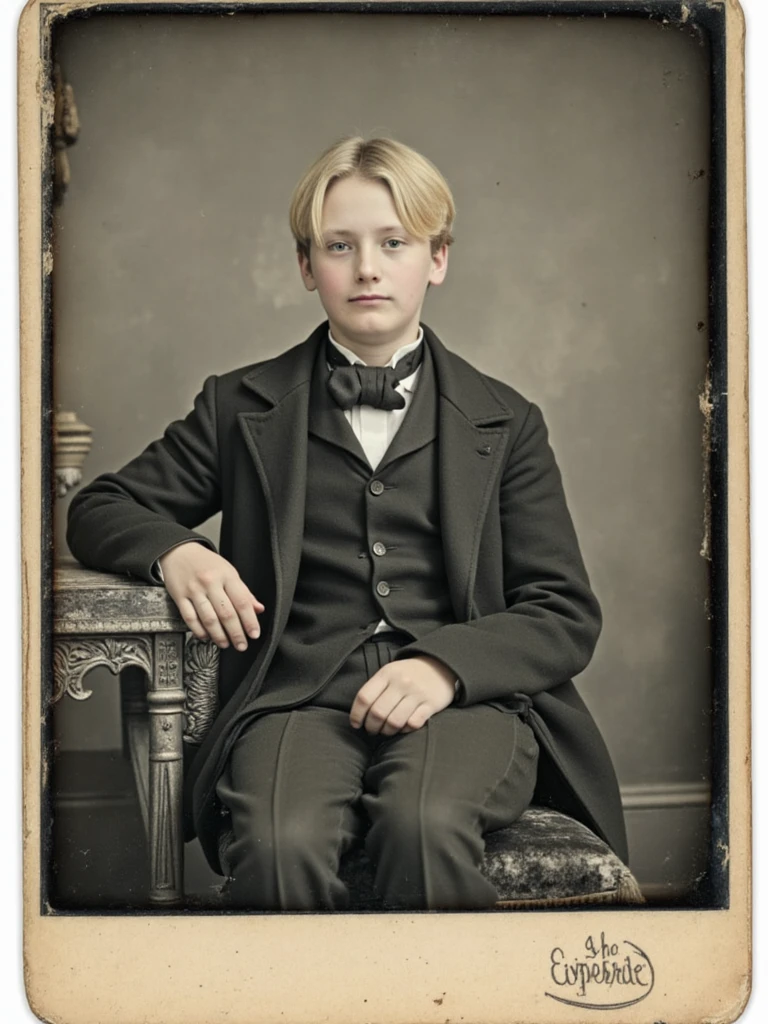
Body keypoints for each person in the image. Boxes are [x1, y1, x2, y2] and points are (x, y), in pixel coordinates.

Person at [67, 136, 627, 911]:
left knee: (426, 824)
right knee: (276, 845)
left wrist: (442, 668)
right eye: (340, 246)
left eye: (393, 243)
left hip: (461, 704)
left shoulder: (506, 420)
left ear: (436, 259)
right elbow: (97, 506)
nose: (367, 267)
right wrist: (175, 553)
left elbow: (563, 612)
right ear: (307, 267)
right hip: (295, 697)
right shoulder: (242, 406)